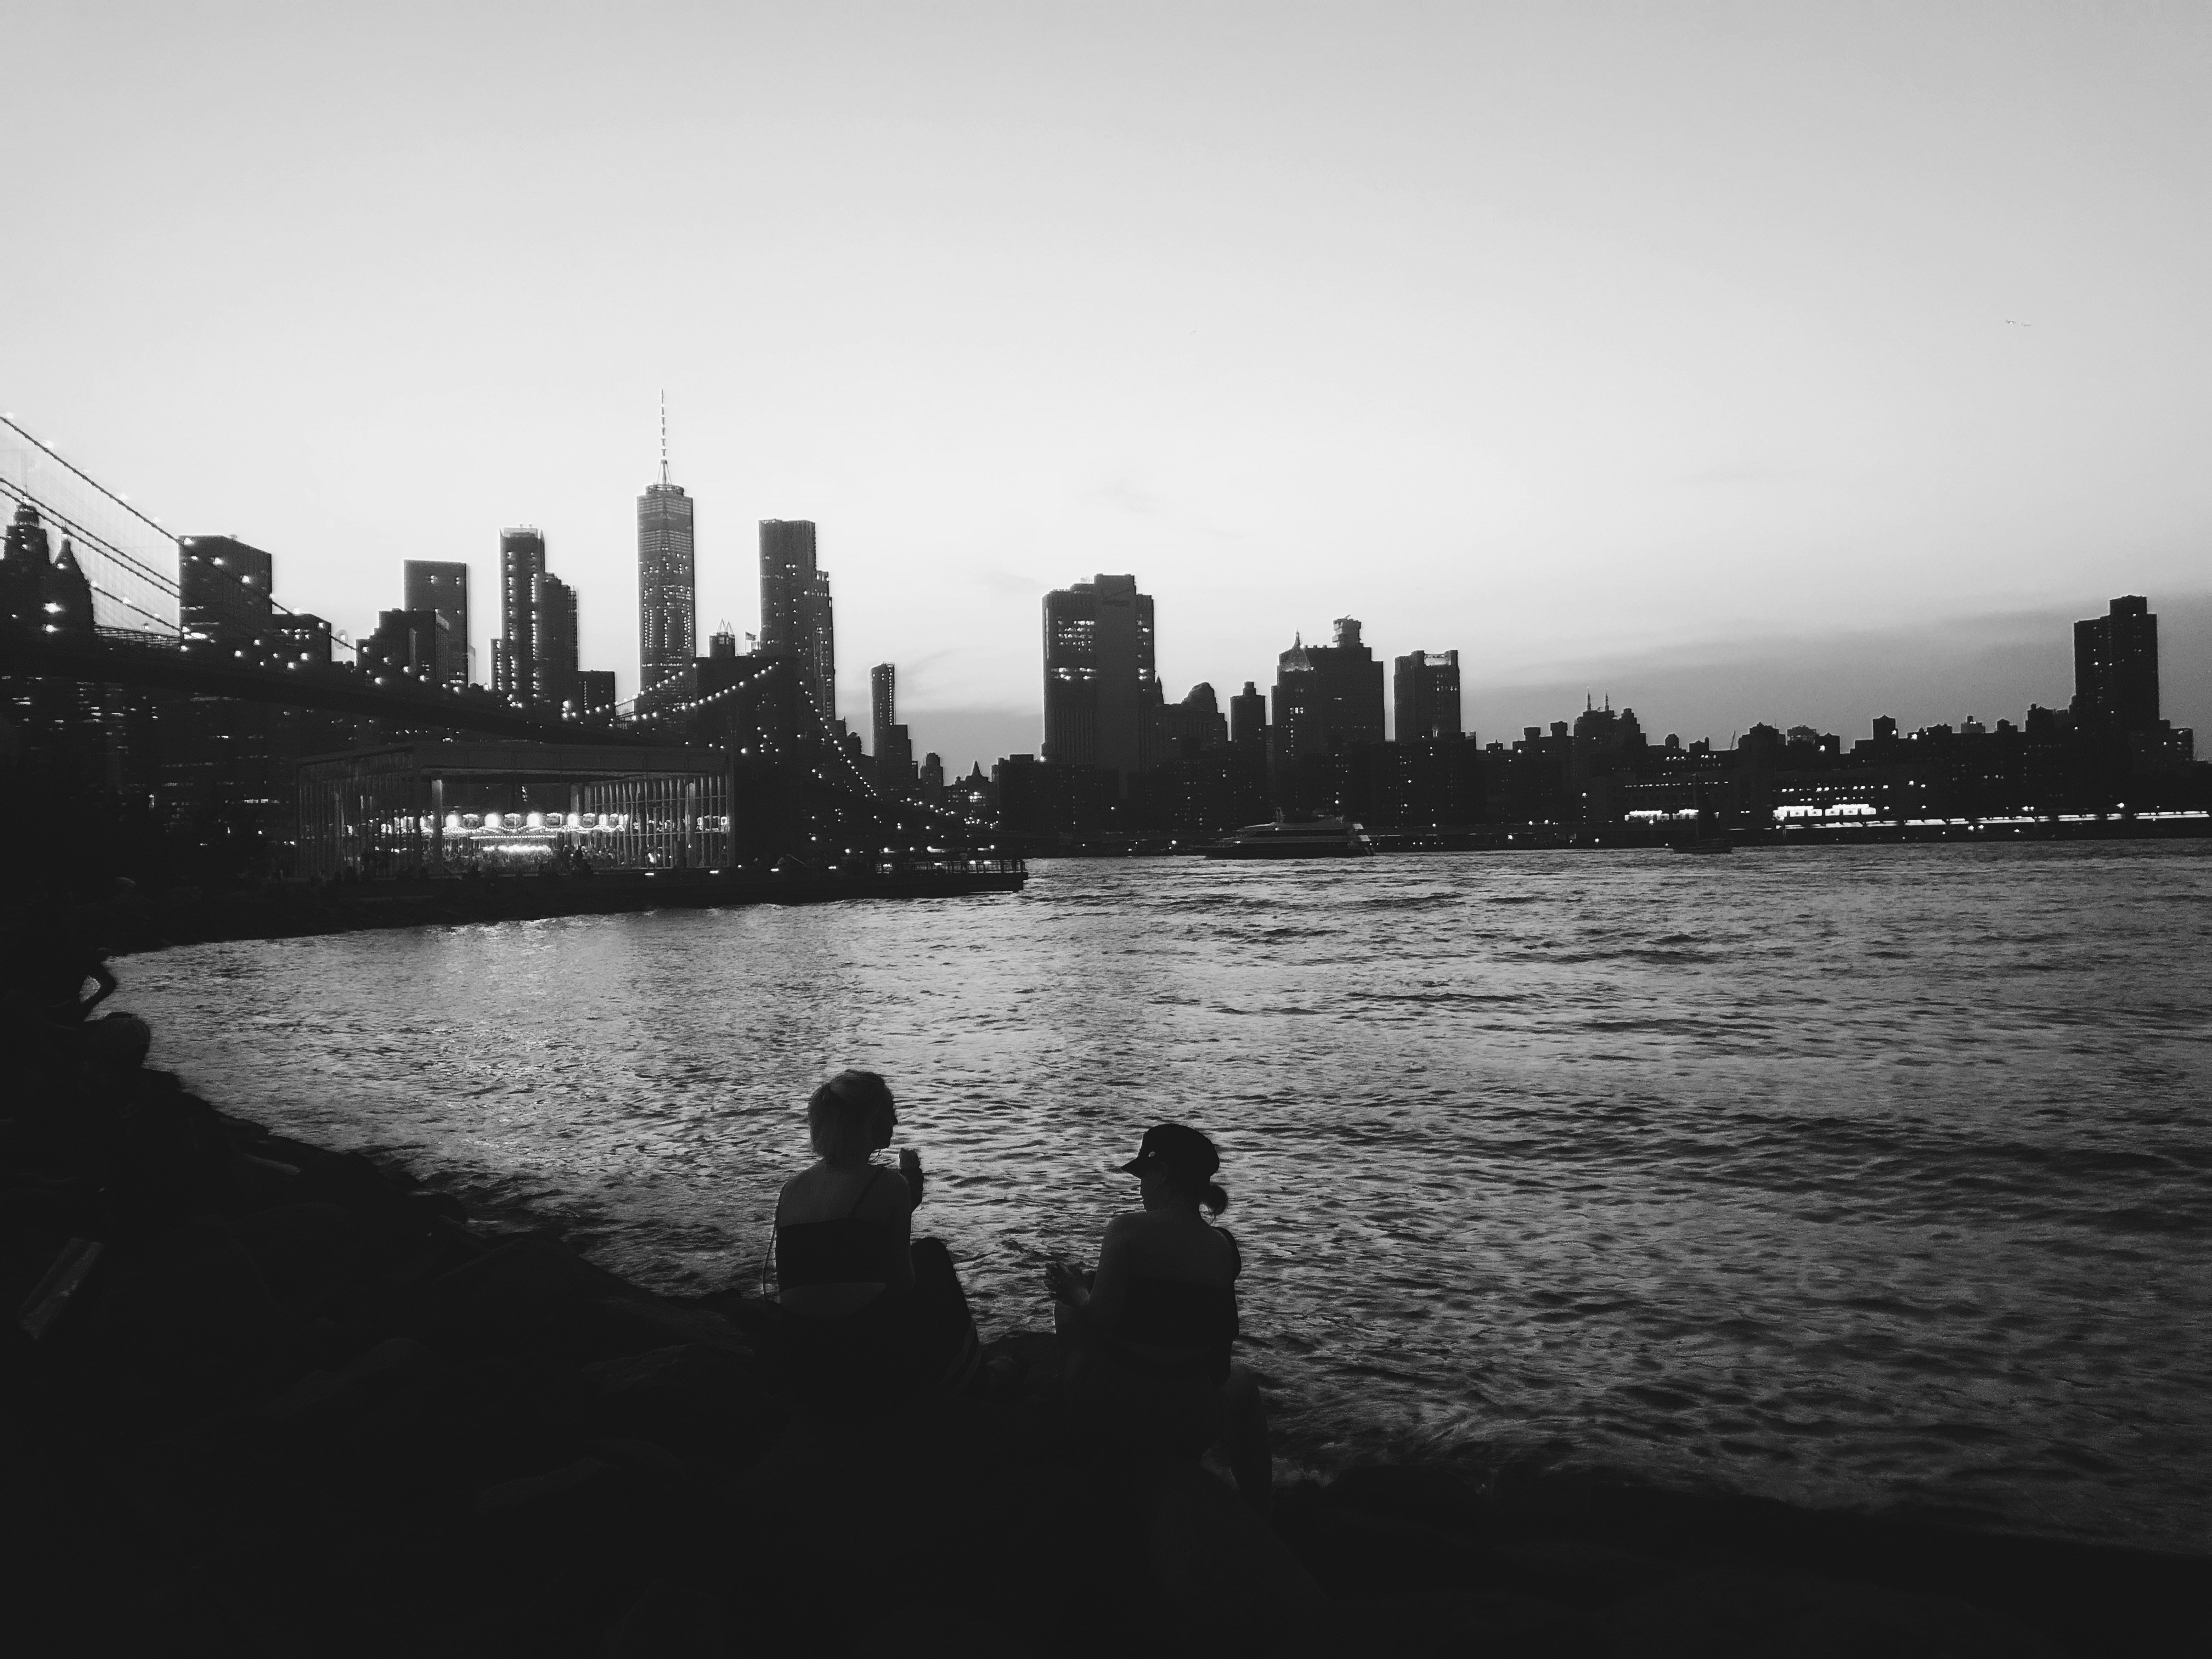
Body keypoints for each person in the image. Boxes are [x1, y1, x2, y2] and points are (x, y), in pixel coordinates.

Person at [1045, 1123, 1271, 1508]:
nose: (1140, 1188)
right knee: (1244, 1384)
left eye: (1143, 1176)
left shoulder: (1126, 1229)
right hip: (1188, 1425)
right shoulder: (1222, 1248)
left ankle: (1078, 1430)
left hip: (1116, 1414)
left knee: (1067, 1311)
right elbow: (1220, 1339)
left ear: (1163, 1174)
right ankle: (1261, 1509)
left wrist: (1075, 1290)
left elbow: (1099, 1316)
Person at [772, 1070, 983, 1404]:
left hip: (802, 1359)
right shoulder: (888, 1184)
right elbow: (903, 1285)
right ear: (870, 1121)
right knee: (931, 1255)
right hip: (866, 1359)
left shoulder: (791, 1189)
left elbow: (830, 1257)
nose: (896, 1121)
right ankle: (976, 1379)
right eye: (890, 1111)